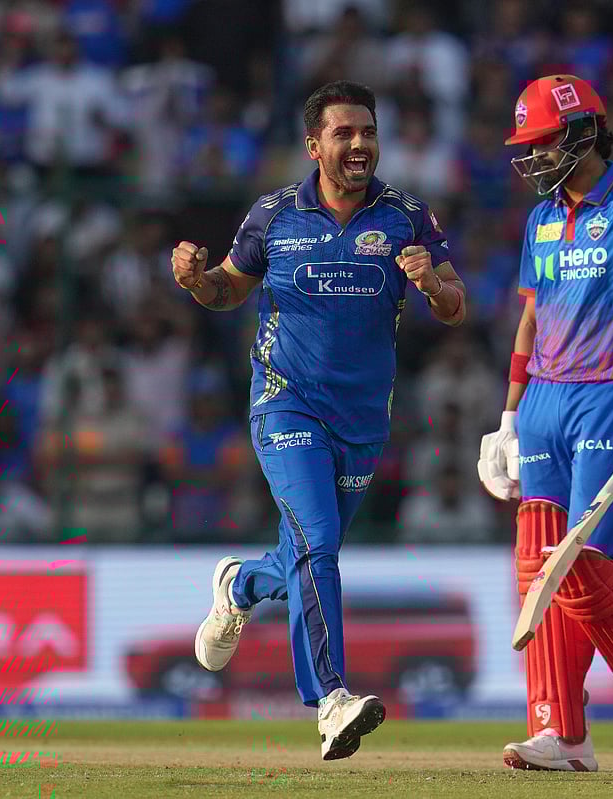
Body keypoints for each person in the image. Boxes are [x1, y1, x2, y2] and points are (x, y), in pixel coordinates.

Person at [169, 80, 466, 761]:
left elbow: (456, 305)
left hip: (363, 420)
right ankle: (331, 698)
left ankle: (241, 583)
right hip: (285, 402)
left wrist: (432, 284)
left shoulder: (407, 216)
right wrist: (194, 280)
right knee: (321, 541)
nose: (360, 143)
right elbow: (226, 289)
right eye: (344, 133)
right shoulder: (273, 216)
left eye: (367, 131)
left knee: (305, 552)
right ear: (313, 145)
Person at [478, 75, 613, 771]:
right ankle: (562, 733)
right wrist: (507, 416)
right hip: (544, 397)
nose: (535, 158)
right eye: (529, 146)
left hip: (612, 391)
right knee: (535, 572)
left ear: (582, 132)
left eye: (544, 142)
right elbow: (531, 317)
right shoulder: (541, 219)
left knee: (581, 568)